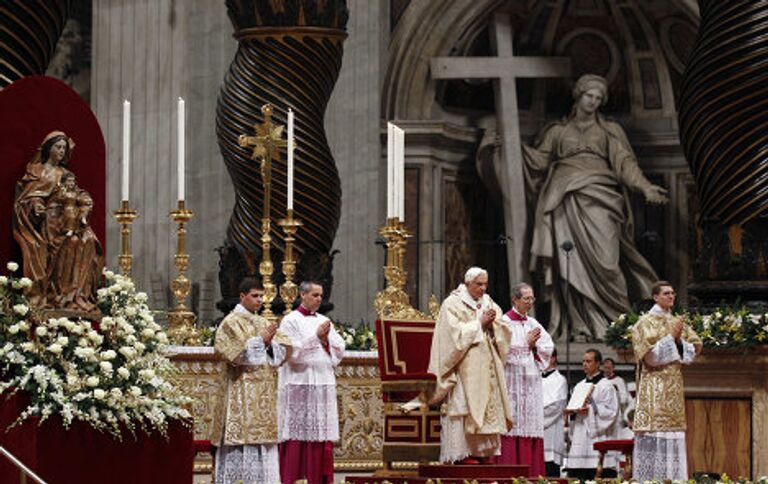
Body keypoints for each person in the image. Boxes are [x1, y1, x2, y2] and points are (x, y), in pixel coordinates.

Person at [523, 74, 669, 340]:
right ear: (578, 95)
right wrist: (506, 146)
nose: (593, 101)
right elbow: (537, 162)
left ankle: (617, 321)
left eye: (598, 98)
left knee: (607, 261)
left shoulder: (608, 131)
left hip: (601, 197)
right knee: (568, 265)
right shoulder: (557, 132)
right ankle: (579, 325)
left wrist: (646, 187)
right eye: (589, 95)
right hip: (563, 199)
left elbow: (625, 165)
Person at [428, 267, 513, 464]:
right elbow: (450, 337)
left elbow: (503, 330)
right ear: (467, 284)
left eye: (485, 284)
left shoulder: (489, 302)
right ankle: (463, 453)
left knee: (487, 406)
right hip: (464, 366)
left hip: (487, 363)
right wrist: (479, 324)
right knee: (464, 406)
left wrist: (493, 325)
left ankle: (482, 452)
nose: (483, 289)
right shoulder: (452, 303)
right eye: (479, 284)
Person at [212, 277, 291, 483]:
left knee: (263, 446)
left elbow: (283, 352)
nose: (259, 300)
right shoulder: (230, 322)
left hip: (263, 394)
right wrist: (260, 341)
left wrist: (270, 345)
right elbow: (230, 354)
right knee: (240, 445)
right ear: (242, 296)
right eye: (255, 296)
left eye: (261, 296)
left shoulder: (263, 322)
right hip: (240, 391)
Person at [631, 281, 702, 481]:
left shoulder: (677, 321)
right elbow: (650, 358)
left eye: (673, 293)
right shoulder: (644, 323)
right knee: (655, 435)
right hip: (653, 388)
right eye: (666, 293)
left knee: (674, 436)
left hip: (673, 387)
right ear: (655, 297)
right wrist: (671, 337)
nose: (671, 297)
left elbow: (693, 351)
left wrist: (678, 341)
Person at [278, 281, 345, 484]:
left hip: (322, 382)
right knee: (297, 434)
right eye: (315, 295)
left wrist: (325, 341)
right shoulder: (290, 320)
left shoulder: (324, 320)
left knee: (320, 433)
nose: (319, 299)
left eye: (321, 295)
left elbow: (339, 348)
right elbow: (290, 352)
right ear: (302, 295)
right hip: (299, 382)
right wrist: (316, 338)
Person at [13, 131, 76, 306]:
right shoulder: (36, 171)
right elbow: (27, 196)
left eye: (64, 147)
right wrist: (35, 204)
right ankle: (44, 292)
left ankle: (64, 295)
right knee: (44, 247)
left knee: (84, 240)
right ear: (49, 148)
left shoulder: (65, 174)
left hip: (64, 220)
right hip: (43, 222)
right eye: (58, 147)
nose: (62, 150)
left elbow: (75, 197)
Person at [499, 283, 554, 476]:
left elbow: (547, 347)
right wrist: (526, 344)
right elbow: (501, 350)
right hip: (511, 381)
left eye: (532, 299)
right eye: (526, 299)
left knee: (529, 425)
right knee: (511, 425)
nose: (530, 303)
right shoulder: (503, 323)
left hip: (530, 382)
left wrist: (533, 348)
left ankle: (533, 474)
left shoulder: (533, 323)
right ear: (515, 299)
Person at [45, 172, 104, 311]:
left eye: (73, 181)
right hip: (60, 226)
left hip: (78, 224)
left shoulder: (78, 193)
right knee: (71, 242)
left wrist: (84, 210)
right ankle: (64, 293)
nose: (71, 184)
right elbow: (52, 208)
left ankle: (80, 293)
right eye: (69, 181)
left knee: (88, 240)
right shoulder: (58, 193)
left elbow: (85, 200)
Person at [564, 349, 621, 481]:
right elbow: (572, 409)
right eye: (583, 361)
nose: (584, 364)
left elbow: (611, 412)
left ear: (597, 364)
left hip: (597, 437)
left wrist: (589, 409)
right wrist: (572, 412)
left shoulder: (606, 386)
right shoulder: (579, 386)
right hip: (579, 434)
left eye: (588, 361)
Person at [542, 348, 568, 478]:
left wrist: (535, 419)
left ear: (553, 358)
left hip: (550, 431)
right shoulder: (535, 377)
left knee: (550, 472)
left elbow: (557, 407)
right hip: (535, 435)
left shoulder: (560, 380)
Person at [602, 358, 631, 427]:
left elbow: (624, 398)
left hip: (615, 413)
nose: (607, 370)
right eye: (605, 368)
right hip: (602, 413)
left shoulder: (619, 381)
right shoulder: (601, 380)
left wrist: (615, 394)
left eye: (609, 368)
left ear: (613, 368)